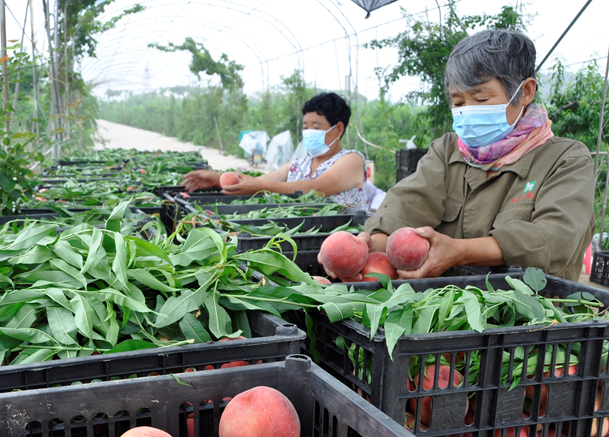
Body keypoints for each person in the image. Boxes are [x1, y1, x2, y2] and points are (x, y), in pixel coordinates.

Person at [343, 29, 595, 282]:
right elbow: (407, 206)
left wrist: (459, 252)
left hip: (535, 314)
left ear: (526, 91)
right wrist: (368, 247)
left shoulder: (566, 160)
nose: (469, 111)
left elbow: (554, 238)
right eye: (459, 103)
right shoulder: (447, 151)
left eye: (482, 98)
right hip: (442, 309)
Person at [181, 93, 369, 210]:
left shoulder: (351, 160)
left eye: (316, 127)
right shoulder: (299, 165)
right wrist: (216, 178)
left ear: (338, 129)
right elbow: (261, 181)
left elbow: (316, 188)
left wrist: (259, 187)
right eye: (306, 126)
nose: (309, 132)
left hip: (343, 239)